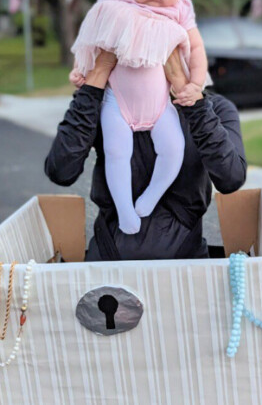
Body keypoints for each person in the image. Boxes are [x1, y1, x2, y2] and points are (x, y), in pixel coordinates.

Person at [45, 48, 247, 261]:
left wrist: (189, 95)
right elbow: (61, 171)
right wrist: (97, 75)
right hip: (109, 262)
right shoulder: (107, 105)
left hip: (186, 264)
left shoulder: (213, 109)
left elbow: (231, 178)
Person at [70, 0, 208, 235]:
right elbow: (92, 36)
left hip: (159, 105)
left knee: (173, 149)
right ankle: (125, 211)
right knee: (116, 152)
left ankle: (151, 197)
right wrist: (80, 68)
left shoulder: (178, 12)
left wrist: (197, 83)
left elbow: (196, 49)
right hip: (117, 102)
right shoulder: (117, 3)